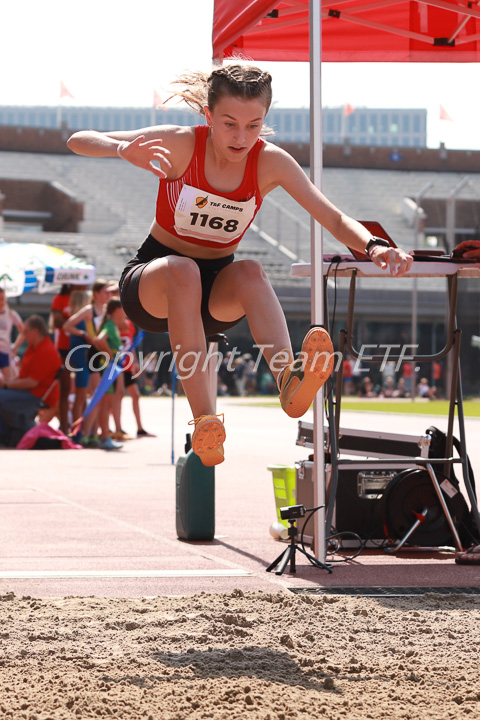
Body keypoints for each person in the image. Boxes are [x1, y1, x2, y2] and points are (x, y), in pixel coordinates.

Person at [67, 64, 412, 467]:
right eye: (229, 124)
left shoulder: (270, 162)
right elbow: (78, 140)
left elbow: (333, 218)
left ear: (265, 122)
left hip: (214, 292)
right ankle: (205, 423)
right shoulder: (181, 143)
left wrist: (374, 246)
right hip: (154, 281)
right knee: (183, 270)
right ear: (209, 116)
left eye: (253, 125)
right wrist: (120, 149)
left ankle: (289, 380)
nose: (241, 137)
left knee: (251, 272)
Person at [0, 315, 62, 446]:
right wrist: (7, 383)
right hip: (29, 391)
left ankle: (5, 435)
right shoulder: (34, 347)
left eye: (25, 331)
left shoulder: (46, 350)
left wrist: (6, 385)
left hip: (36, 395)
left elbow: (32, 382)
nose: (23, 334)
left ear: (35, 332)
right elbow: (23, 376)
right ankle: (5, 434)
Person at [0, 287, 24, 381]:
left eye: (3, 299)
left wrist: (15, 347)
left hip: (6, 351)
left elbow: (24, 331)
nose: (1, 302)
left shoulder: (11, 313)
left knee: (8, 381)